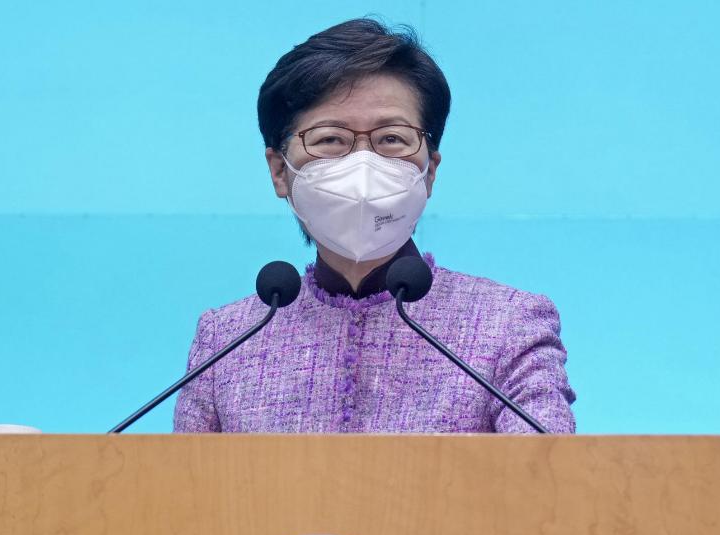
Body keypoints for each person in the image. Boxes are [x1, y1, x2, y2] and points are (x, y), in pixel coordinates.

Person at [173, 18, 575, 433]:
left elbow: (548, 483)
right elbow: (185, 492)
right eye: (331, 139)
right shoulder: (225, 341)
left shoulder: (507, 326)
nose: (362, 166)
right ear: (280, 171)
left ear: (429, 171)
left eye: (391, 140)